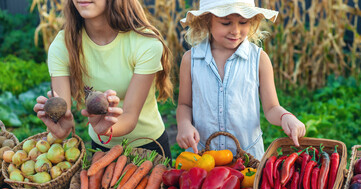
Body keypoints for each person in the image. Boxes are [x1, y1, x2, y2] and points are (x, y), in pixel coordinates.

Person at [34, 0, 173, 158]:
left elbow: (129, 116)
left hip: (149, 148)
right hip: (100, 150)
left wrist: (106, 129)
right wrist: (61, 125)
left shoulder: (145, 43)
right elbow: (61, 107)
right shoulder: (62, 46)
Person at [176, 0, 306, 160]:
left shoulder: (259, 59)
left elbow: (272, 107)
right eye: (226, 23)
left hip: (247, 159)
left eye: (243, 22)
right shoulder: (191, 60)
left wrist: (286, 116)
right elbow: (184, 104)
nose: (235, 31)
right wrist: (184, 125)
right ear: (207, 21)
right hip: (202, 156)